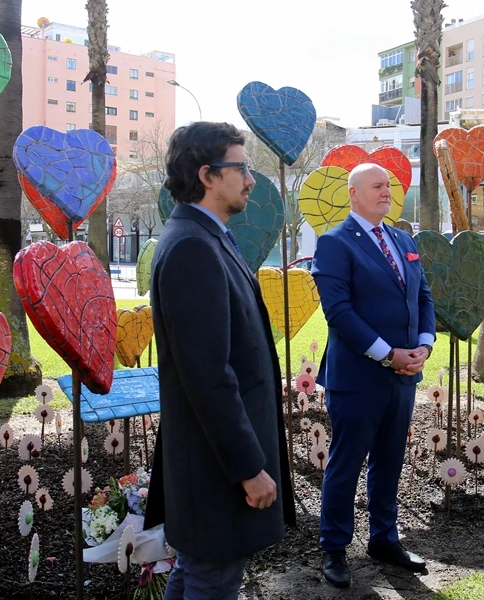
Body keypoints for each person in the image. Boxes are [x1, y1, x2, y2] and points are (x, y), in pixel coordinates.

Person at [142, 122, 295, 599]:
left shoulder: (207, 236)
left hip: (211, 461)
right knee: (213, 579)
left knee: (198, 573)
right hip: (215, 468)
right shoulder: (192, 246)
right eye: (241, 169)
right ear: (207, 175)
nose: (250, 180)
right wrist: (248, 468)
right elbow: (209, 376)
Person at [311, 163, 436, 588]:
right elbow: (339, 312)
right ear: (354, 193)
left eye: (389, 186)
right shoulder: (334, 243)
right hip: (357, 378)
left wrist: (423, 345)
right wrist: (388, 355)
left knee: (389, 461)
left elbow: (423, 296)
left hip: (404, 376)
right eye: (377, 186)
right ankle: (334, 548)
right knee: (346, 464)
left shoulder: (403, 240)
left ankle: (384, 539)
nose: (386, 192)